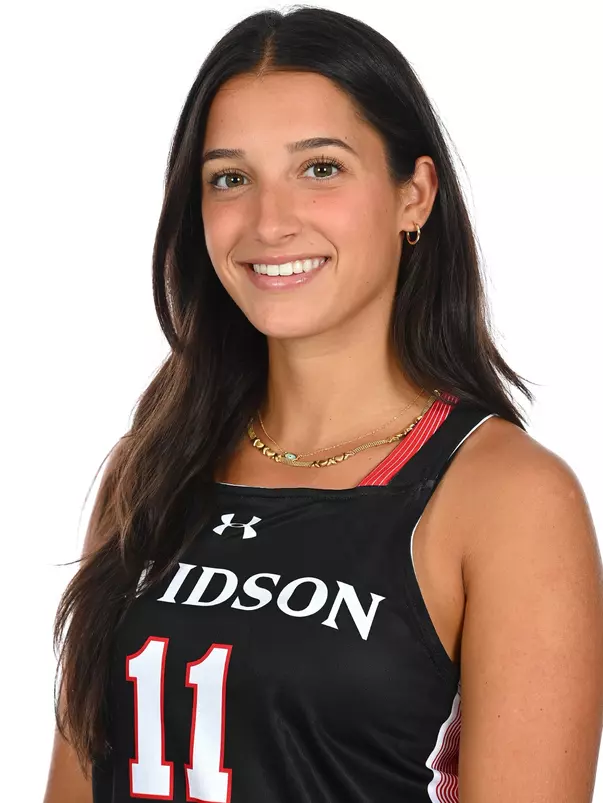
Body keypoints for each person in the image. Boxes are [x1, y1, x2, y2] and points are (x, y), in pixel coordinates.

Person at [44, 7, 603, 803]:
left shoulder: (506, 499)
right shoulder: (152, 469)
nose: (270, 222)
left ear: (415, 195)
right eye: (229, 178)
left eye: (320, 169)